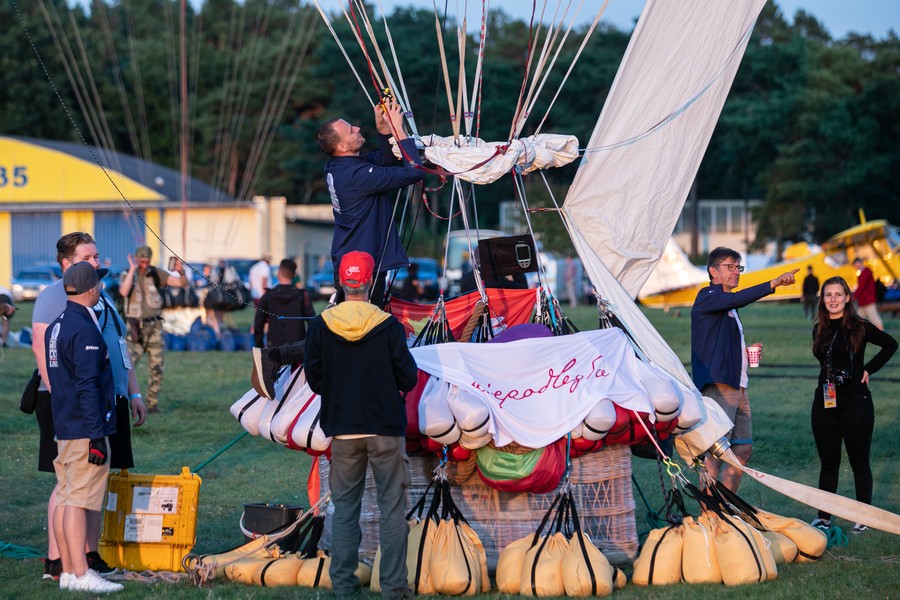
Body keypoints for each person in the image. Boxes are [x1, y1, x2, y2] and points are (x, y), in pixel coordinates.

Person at [32, 232, 147, 582]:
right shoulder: (57, 296)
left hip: (105, 399)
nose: (97, 263)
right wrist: (64, 400)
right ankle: (61, 561)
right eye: (89, 257)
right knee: (70, 484)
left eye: (97, 256)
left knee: (93, 481)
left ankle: (87, 556)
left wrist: (134, 392)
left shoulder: (100, 293)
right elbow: (44, 349)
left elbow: (118, 346)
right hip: (78, 404)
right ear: (67, 265)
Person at [304, 251, 418, 599]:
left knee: (345, 511)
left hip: (343, 430)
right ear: (370, 282)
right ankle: (394, 588)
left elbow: (314, 378)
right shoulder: (387, 325)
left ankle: (343, 586)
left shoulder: (322, 325)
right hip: (385, 428)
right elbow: (409, 377)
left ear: (341, 281)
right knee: (392, 510)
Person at [44, 262, 124, 593]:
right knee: (77, 501)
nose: (102, 288)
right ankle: (80, 574)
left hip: (64, 423)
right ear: (90, 289)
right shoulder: (85, 329)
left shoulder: (57, 325)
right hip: (82, 427)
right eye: (99, 284)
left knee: (66, 497)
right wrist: (96, 435)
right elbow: (88, 385)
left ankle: (66, 572)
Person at [690, 247, 798, 492]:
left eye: (738, 267)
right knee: (716, 452)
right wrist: (774, 283)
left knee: (743, 449)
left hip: (740, 386)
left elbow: (722, 337)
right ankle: (708, 514)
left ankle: (726, 506)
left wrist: (744, 350)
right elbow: (736, 298)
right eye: (730, 267)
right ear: (713, 271)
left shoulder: (728, 306)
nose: (736, 272)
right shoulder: (707, 296)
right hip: (720, 386)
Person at [318, 98, 426, 308]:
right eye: (351, 130)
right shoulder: (356, 175)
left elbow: (385, 159)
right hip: (362, 263)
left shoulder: (338, 166)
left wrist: (384, 130)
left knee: (354, 321)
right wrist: (399, 130)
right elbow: (415, 171)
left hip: (354, 256)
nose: (357, 128)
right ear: (341, 146)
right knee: (364, 323)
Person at [809, 276, 896, 533]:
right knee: (828, 463)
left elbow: (891, 345)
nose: (833, 299)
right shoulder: (819, 327)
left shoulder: (859, 326)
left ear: (848, 298)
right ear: (822, 299)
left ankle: (863, 516)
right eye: (828, 295)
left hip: (856, 402)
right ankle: (824, 518)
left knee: (859, 461)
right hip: (825, 401)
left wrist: (868, 369)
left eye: (838, 294)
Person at [118, 244, 188, 413]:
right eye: (141, 261)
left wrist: (181, 271)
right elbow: (123, 291)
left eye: (146, 260)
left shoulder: (157, 273)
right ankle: (123, 400)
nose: (144, 264)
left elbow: (180, 284)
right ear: (136, 259)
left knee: (157, 366)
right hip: (135, 327)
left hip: (155, 326)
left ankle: (152, 403)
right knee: (127, 366)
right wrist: (133, 270)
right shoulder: (128, 274)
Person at [253, 259, 315, 348]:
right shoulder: (302, 295)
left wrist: (259, 345)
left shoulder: (269, 295)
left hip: (275, 348)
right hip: (298, 348)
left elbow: (258, 322)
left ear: (278, 273)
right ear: (294, 275)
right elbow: (312, 320)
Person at [852, 257, 883, 330]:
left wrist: (854, 296)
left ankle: (882, 333)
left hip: (868, 300)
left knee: (874, 318)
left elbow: (861, 287)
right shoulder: (863, 272)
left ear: (860, 263)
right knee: (858, 318)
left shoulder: (865, 272)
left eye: (857, 265)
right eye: (855, 266)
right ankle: (858, 333)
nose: (856, 267)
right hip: (864, 301)